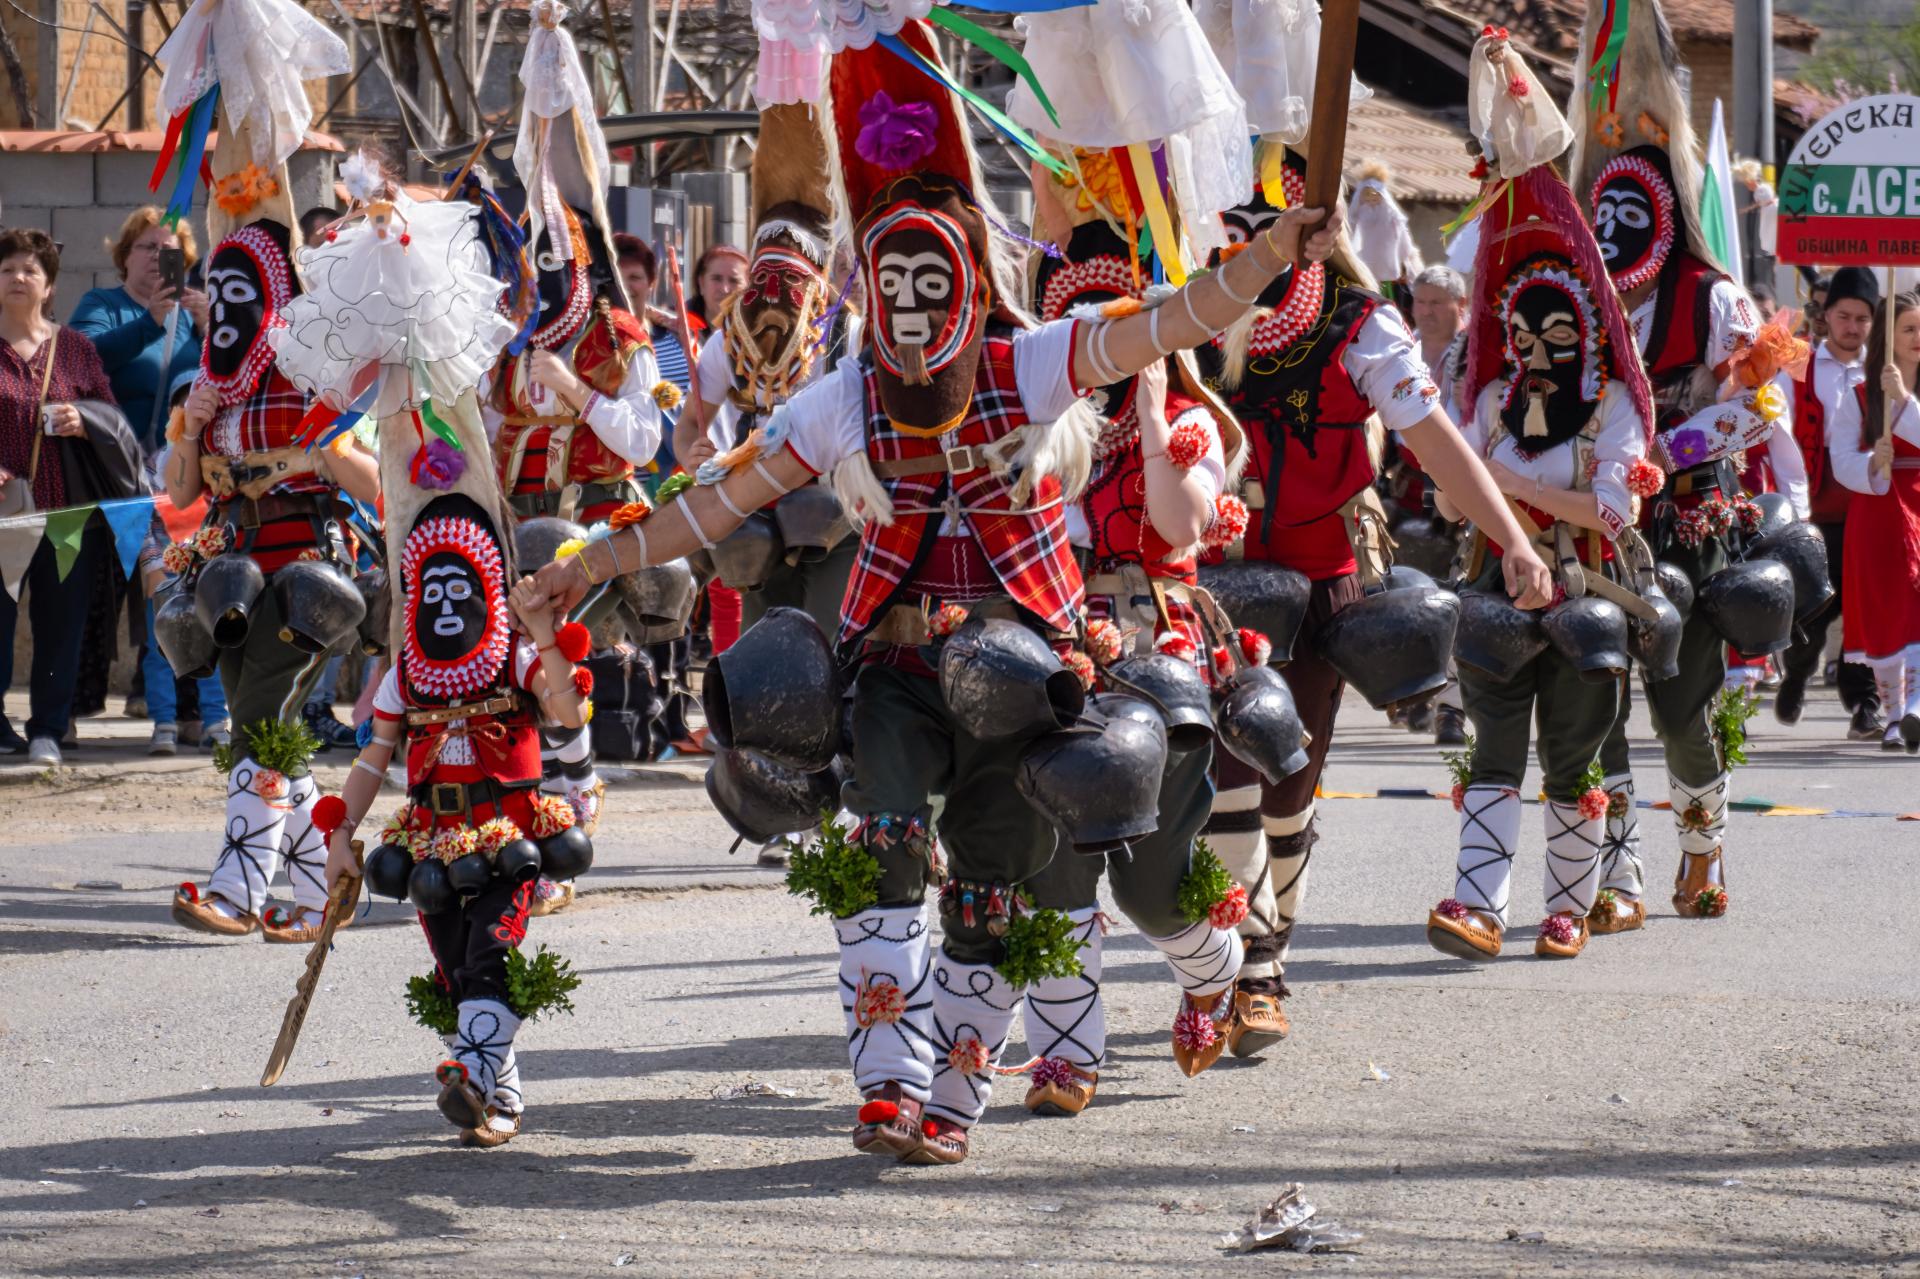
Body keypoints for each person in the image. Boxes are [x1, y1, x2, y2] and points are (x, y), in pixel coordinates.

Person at [532, 21, 1548, 1165]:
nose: (912, 309)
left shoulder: (1036, 363)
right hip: (900, 674)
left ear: (972, 284)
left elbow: (1178, 317)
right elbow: (711, 500)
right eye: (893, 282)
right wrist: (585, 566)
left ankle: (1082, 1036)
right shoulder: (841, 403)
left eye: (934, 281)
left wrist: (1267, 261)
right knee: (877, 854)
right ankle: (892, 1088)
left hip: (1033, 673)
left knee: (1024, 898)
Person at [1570, 0, 1802, 926]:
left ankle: (1703, 851)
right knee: (1592, 688)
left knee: (1677, 697)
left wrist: (1664, 451)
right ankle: (1616, 874)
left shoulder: (1711, 297)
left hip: (1686, 520)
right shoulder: (1577, 293)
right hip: (1587, 518)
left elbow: (1757, 409)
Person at [1426, 32, 1656, 961]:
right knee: (1490, 753)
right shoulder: (1484, 399)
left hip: (1588, 598)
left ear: (1587, 323)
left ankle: (1569, 906)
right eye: (1521, 326)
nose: (1536, 342)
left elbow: (1617, 511)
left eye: (1556, 323)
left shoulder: (1611, 410)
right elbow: (1451, 501)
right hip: (1496, 592)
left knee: (1571, 758)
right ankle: (1479, 904)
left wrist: (1516, 490)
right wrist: (1478, 499)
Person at [160, 2, 379, 945]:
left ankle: (239, 883)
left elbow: (375, 480)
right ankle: (312, 883)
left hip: (311, 565)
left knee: (257, 711)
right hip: (231, 561)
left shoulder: (312, 366)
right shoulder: (210, 378)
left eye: (255, 287)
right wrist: (193, 426)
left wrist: (326, 450)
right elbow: (178, 492)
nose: (237, 305)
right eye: (227, 288)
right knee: (272, 716)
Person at [0, 229, 126, 764]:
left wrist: (85, 420)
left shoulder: (75, 350)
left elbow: (114, 418)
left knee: (61, 622)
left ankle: (49, 727)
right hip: (3, 516)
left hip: (66, 514)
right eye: (7, 269)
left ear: (50, 286)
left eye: (30, 270)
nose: (18, 278)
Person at [1777, 266, 1882, 737]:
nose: (1852, 327)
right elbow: (1779, 437)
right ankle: (1797, 673)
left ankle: (1865, 702)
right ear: (1826, 315)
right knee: (1813, 613)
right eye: (1844, 315)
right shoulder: (1797, 367)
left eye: (1862, 318)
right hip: (1813, 514)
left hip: (1868, 512)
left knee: (1865, 610)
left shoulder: (1887, 374)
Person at [1828, 291, 1920, 753]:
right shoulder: (1859, 396)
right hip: (1879, 509)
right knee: (1887, 611)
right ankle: (1894, 715)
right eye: (1909, 329)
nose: (1918, 337)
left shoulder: (1903, 395)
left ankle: (1918, 704)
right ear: (1888, 336)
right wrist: (1872, 462)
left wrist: (1903, 402)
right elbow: (1840, 458)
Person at [141, 368, 232, 755]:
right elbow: (141, 519)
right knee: (160, 646)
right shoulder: (153, 464)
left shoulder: (223, 461)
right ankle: (164, 721)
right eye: (182, 404)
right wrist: (151, 564)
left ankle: (216, 720)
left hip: (212, 569)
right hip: (168, 570)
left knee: (215, 644)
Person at [69, 207, 209, 453]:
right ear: (125, 257)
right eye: (149, 247)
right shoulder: (102, 303)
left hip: (182, 466)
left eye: (168, 251)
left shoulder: (192, 315)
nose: (158, 256)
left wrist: (209, 331)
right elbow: (78, 357)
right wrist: (150, 321)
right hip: (118, 461)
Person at [687, 243, 747, 331]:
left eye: (734, 281)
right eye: (717, 279)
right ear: (702, 284)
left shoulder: (760, 337)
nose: (725, 289)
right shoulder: (675, 332)